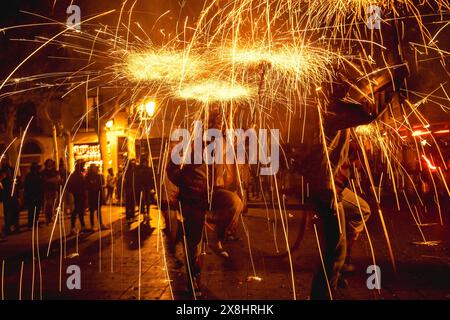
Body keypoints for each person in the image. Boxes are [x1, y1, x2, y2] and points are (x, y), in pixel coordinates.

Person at [67, 161, 87, 235]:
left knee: (79, 210)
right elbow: (69, 186)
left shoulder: (78, 175)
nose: (83, 168)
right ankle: (75, 227)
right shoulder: (75, 175)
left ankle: (82, 226)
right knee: (77, 211)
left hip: (79, 195)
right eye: (82, 166)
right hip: (78, 195)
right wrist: (75, 192)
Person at [41, 159, 61, 225]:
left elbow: (58, 179)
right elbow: (45, 180)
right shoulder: (44, 172)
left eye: (51, 163)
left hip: (54, 190)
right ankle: (47, 218)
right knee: (48, 204)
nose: (50, 164)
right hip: (47, 190)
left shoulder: (55, 171)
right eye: (48, 163)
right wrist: (53, 179)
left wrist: (52, 179)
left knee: (54, 204)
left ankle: (52, 217)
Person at [24, 163, 43, 229]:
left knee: (36, 211)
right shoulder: (29, 176)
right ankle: (30, 224)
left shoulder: (38, 175)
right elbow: (27, 186)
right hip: (32, 195)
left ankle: (34, 224)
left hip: (36, 195)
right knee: (31, 211)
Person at [86, 164, 105, 230]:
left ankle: (101, 224)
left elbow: (102, 185)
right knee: (92, 211)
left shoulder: (99, 176)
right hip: (92, 195)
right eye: (93, 167)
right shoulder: (88, 176)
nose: (94, 169)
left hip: (97, 195)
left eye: (95, 168)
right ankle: (92, 225)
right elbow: (87, 186)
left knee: (98, 210)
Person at [137, 156, 155, 222]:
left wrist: (152, 187)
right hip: (142, 187)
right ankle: (144, 214)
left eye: (145, 162)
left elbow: (152, 178)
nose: (145, 163)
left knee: (147, 201)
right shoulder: (140, 169)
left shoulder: (148, 169)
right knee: (143, 201)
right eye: (144, 162)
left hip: (147, 186)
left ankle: (147, 213)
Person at [124, 159, 138, 224]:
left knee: (132, 203)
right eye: (132, 163)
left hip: (133, 188)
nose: (133, 164)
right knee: (129, 203)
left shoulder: (134, 170)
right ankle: (128, 217)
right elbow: (127, 180)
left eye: (134, 163)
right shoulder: (128, 171)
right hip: (129, 188)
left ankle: (132, 216)